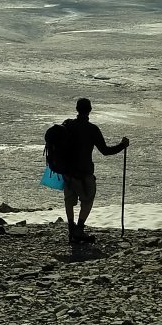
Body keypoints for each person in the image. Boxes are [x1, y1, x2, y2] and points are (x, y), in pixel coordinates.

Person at [57, 97, 128, 244]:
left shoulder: (67, 125)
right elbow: (106, 151)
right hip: (84, 173)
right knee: (87, 200)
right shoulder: (92, 129)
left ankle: (71, 228)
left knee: (69, 200)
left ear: (77, 109)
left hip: (67, 172)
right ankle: (79, 229)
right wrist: (122, 145)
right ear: (90, 110)